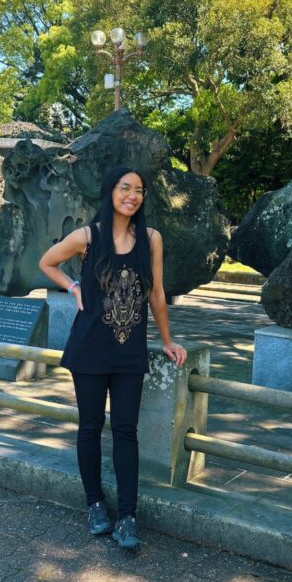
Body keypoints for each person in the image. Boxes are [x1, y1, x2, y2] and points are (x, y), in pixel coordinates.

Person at [39, 165, 187, 550]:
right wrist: (73, 286)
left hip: (129, 350)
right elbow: (47, 262)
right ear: (110, 192)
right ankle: (94, 505)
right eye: (125, 187)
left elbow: (156, 293)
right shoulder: (87, 237)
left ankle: (127, 516)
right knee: (89, 426)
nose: (133, 195)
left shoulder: (151, 239)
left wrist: (167, 340)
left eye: (139, 190)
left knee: (125, 431)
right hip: (88, 347)